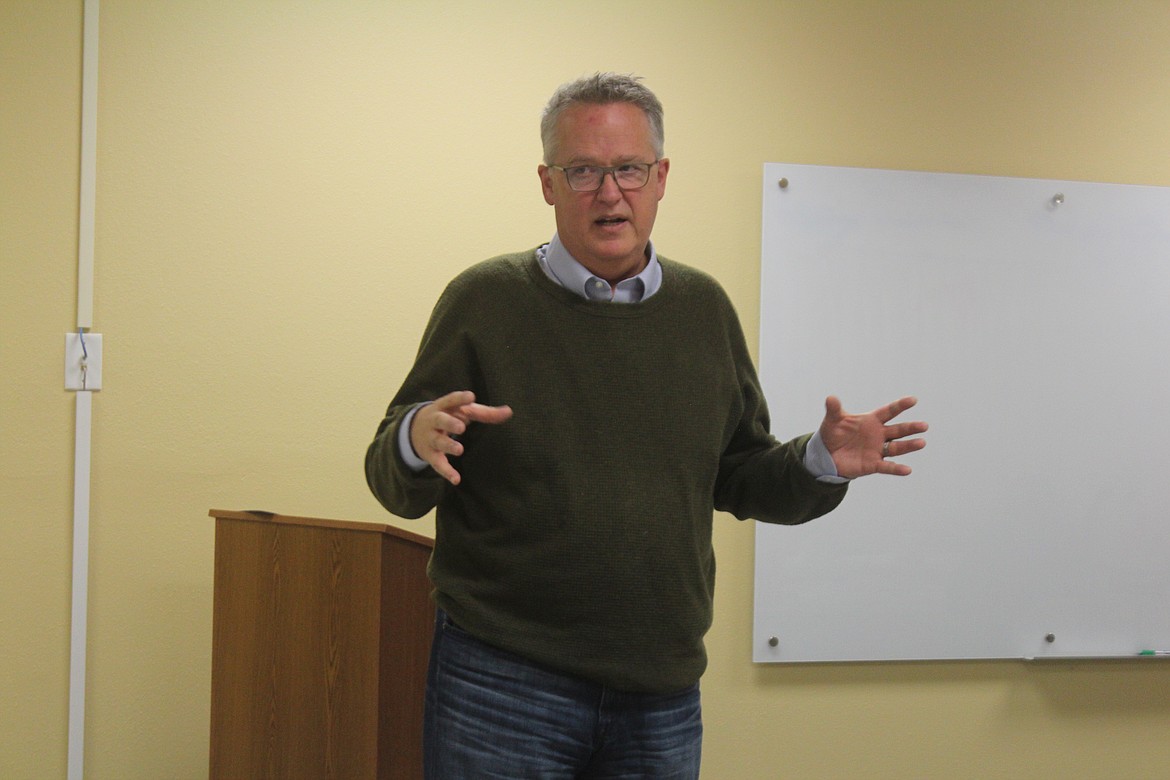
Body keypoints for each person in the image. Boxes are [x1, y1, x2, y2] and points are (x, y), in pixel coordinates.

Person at [365, 72, 926, 779]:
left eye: (628, 169)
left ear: (660, 178)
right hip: (503, 682)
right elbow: (394, 479)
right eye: (584, 171)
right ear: (547, 183)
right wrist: (415, 438)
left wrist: (817, 461)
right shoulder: (484, 301)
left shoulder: (703, 310)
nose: (609, 192)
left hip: (659, 693)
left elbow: (741, 475)